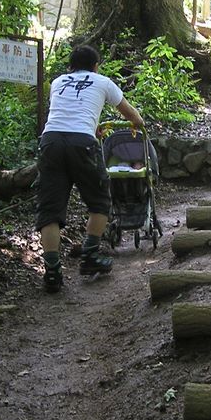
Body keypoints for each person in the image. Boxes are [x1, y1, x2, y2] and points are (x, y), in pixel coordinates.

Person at [36, 44, 144, 292]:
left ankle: (52, 272)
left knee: (50, 209)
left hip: (50, 141)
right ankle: (90, 255)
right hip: (83, 144)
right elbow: (132, 116)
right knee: (100, 201)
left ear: (70, 66)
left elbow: (67, 113)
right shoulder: (102, 81)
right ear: (96, 66)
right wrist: (139, 122)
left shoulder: (57, 82)